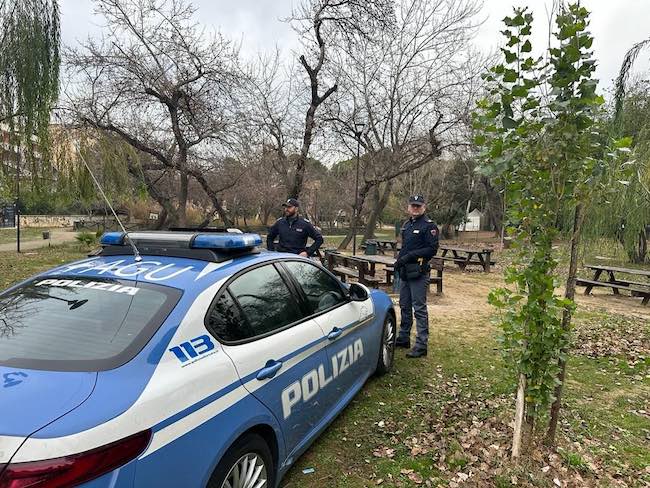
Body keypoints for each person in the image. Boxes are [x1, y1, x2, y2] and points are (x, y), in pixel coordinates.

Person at [394, 195, 439, 358]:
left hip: (419, 272)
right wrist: (399, 260)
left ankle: (421, 345)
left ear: (424, 207)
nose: (415, 208)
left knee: (419, 308)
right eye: (413, 206)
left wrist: (409, 256)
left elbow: (432, 249)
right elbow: (405, 247)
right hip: (406, 271)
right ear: (408, 207)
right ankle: (404, 337)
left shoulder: (429, 226)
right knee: (404, 305)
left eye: (418, 206)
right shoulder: (407, 225)